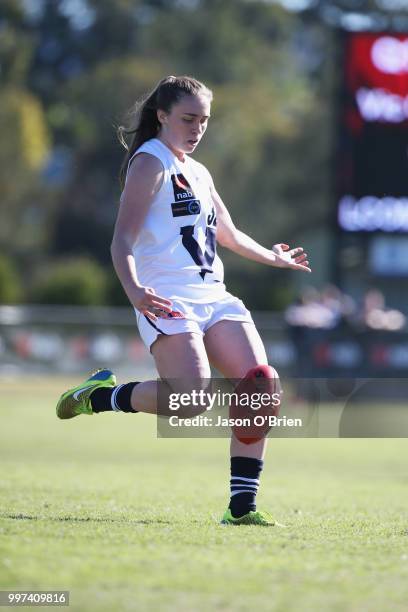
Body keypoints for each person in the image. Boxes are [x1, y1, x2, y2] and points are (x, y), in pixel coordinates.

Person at [56, 76, 311, 526]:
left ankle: (241, 508)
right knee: (191, 399)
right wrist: (136, 293)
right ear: (162, 116)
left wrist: (273, 257)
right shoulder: (149, 162)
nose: (197, 129)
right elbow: (122, 242)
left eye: (204, 121)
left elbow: (227, 235)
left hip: (215, 297)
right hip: (167, 298)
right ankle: (99, 396)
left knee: (261, 387)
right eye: (188, 119)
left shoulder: (198, 170)